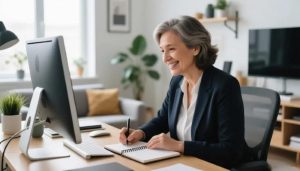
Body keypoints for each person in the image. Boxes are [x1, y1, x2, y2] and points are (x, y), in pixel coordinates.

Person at [119, 16, 245, 169]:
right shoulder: (177, 81)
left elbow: (231, 151)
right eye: (162, 51)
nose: (165, 58)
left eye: (171, 49)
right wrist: (140, 133)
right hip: (182, 163)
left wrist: (179, 146)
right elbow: (163, 119)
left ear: (195, 48)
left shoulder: (225, 85)